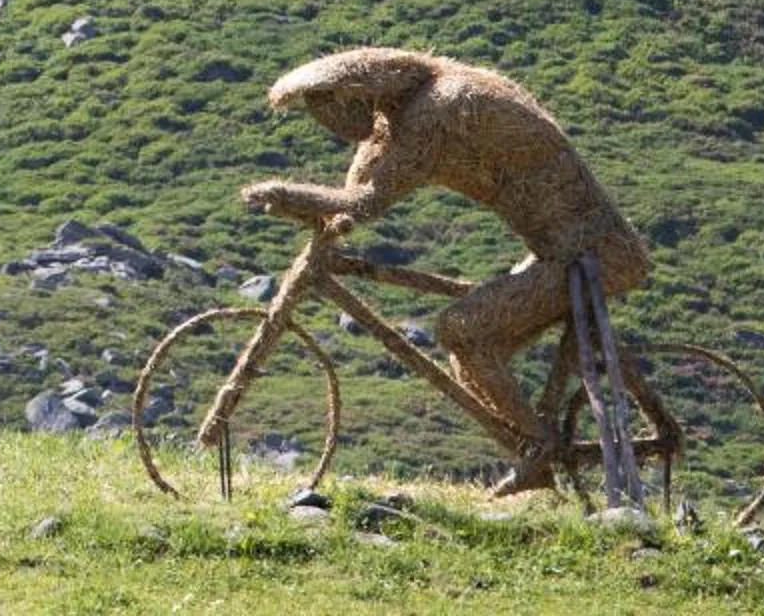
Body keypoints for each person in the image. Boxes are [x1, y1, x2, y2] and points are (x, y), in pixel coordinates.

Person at [242, 47, 650, 491]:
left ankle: (539, 448)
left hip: (587, 254)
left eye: (328, 107)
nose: (327, 121)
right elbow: (357, 190)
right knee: (467, 356)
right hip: (559, 249)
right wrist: (324, 214)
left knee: (462, 329)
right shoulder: (399, 116)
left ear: (356, 94)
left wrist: (286, 193)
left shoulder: (439, 107)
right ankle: (534, 458)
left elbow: (367, 201)